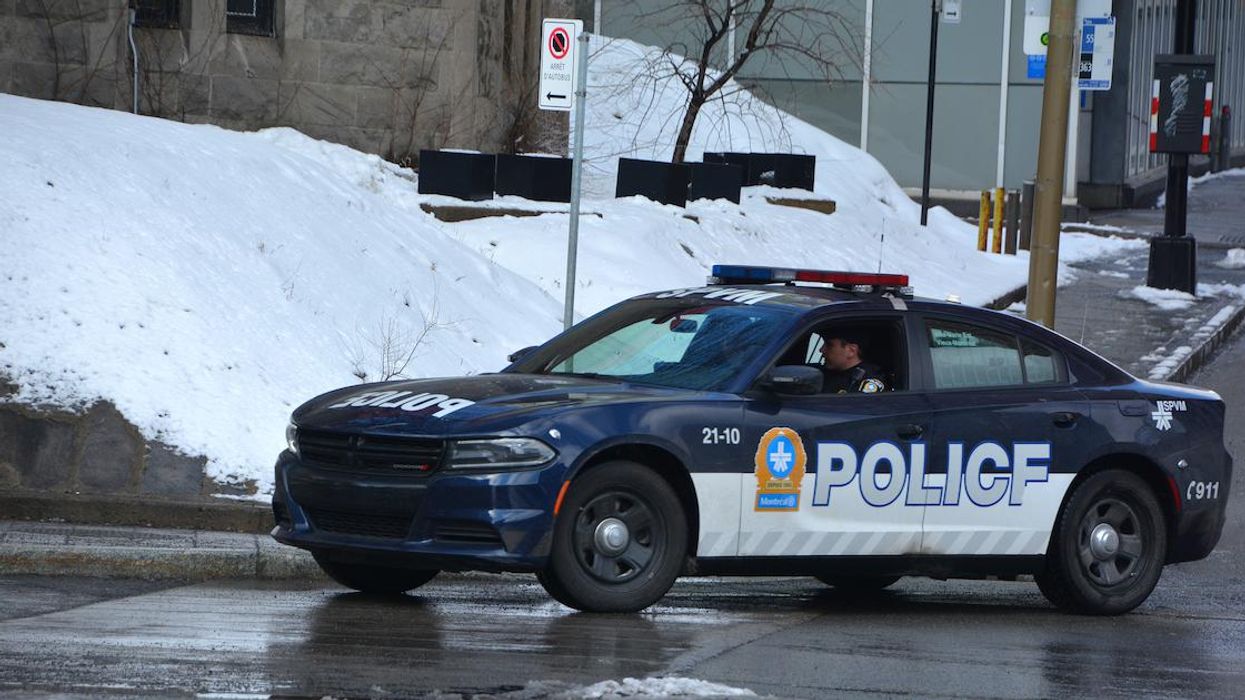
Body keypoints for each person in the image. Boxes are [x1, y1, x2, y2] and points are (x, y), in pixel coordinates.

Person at [817, 329, 888, 394]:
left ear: (851, 351)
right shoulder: (824, 373)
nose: (821, 350)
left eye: (829, 345)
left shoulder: (868, 380)